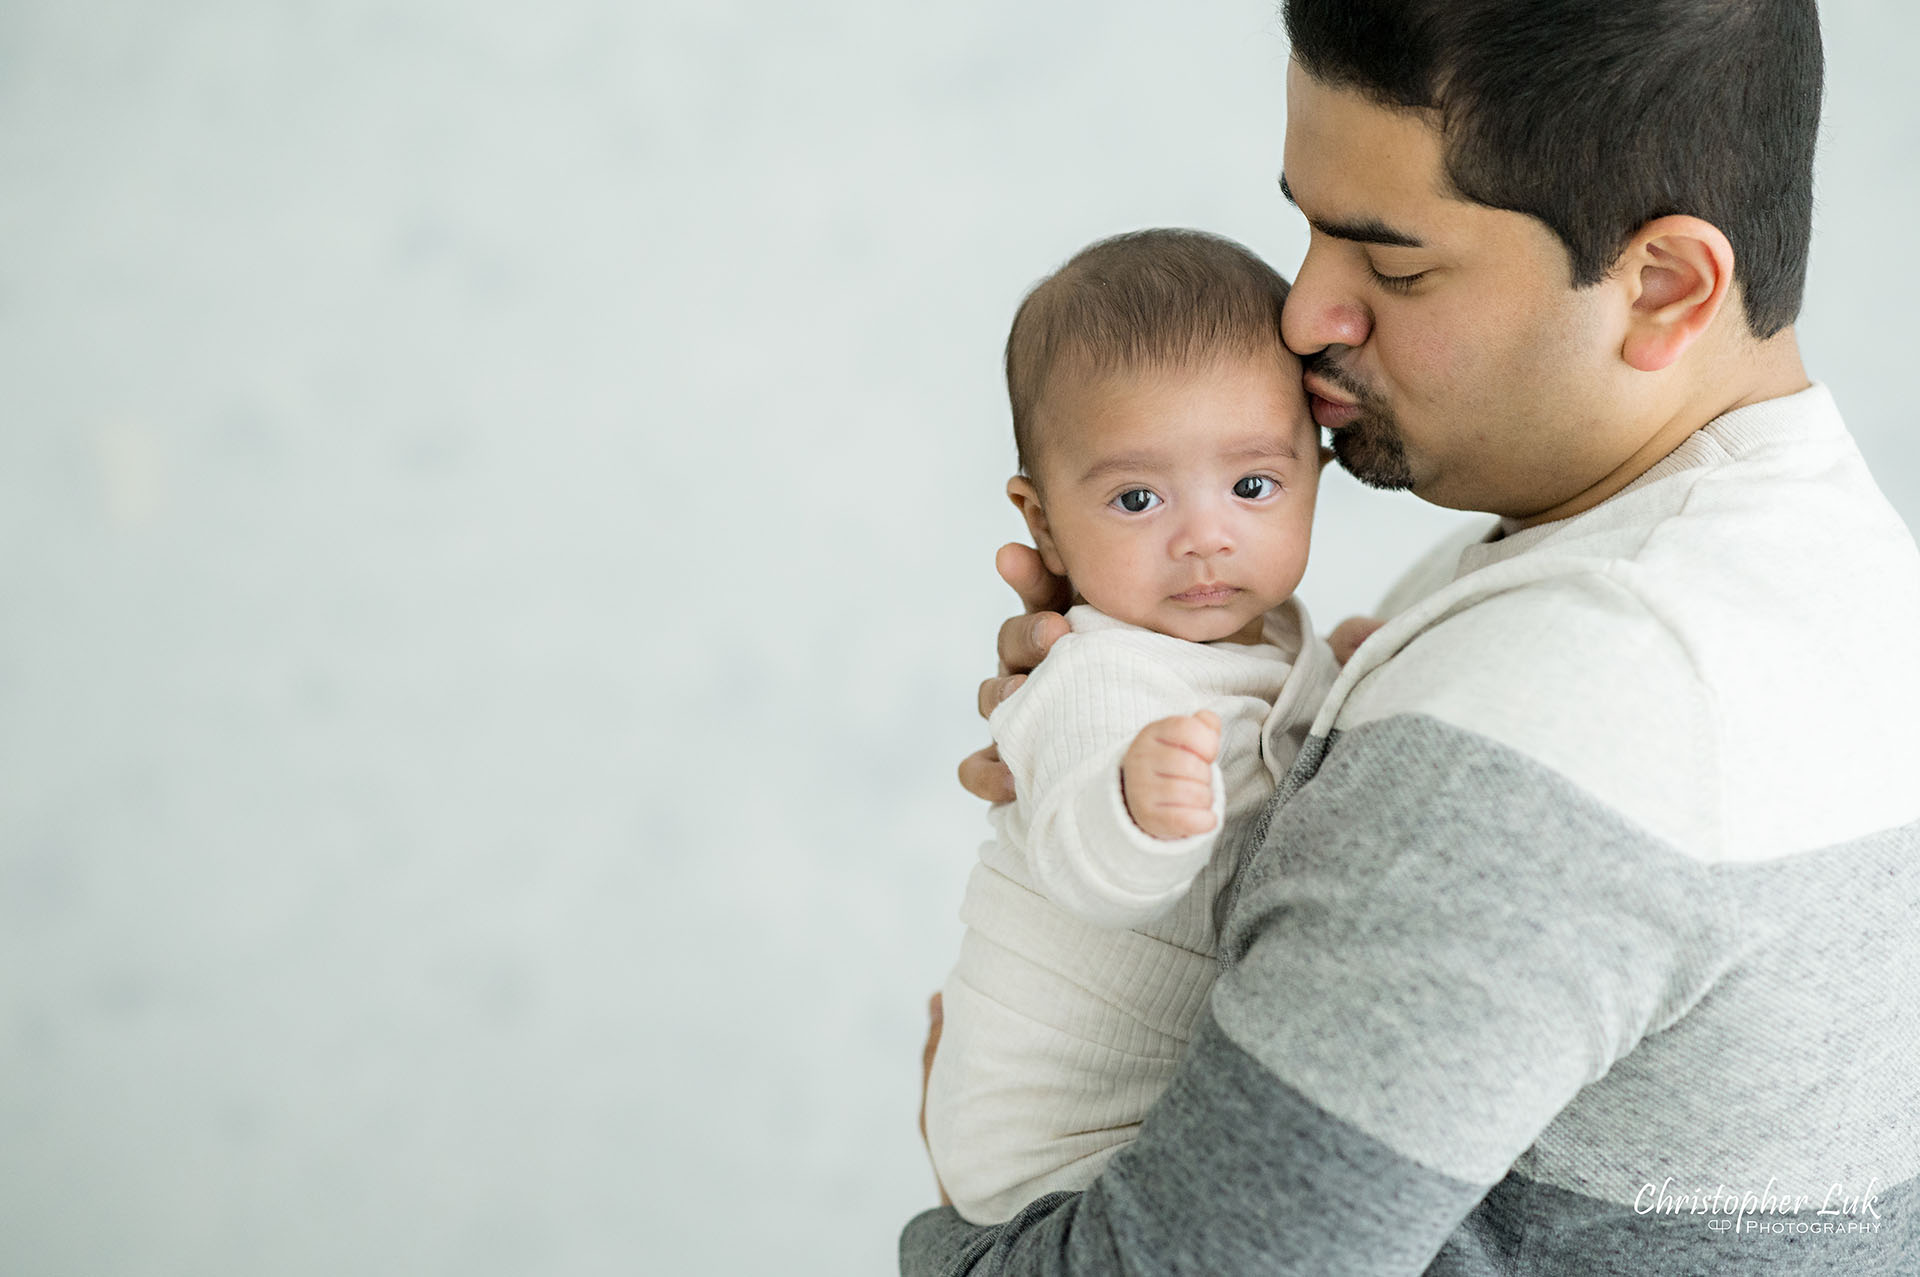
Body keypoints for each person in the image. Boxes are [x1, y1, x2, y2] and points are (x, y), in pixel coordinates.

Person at [905, 1, 1920, 1273]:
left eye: (1393, 265)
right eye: (1308, 228)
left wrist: (965, 1224)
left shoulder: (1576, 687)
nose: (1305, 313)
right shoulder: (1838, 567)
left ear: (1663, 286)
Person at [922, 229, 1338, 1225]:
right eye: (1138, 497)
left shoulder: (1276, 639)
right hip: (1053, 1137)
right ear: (1046, 522)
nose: (1204, 535)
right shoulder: (1095, 676)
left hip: (1161, 1104)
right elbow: (1085, 866)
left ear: (1316, 473)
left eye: (1252, 486)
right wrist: (1130, 807)